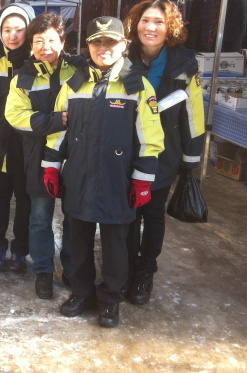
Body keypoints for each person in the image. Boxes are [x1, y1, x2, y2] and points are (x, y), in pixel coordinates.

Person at [45, 16, 164, 328]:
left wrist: (142, 180)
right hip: (79, 177)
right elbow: (58, 132)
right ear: (88, 47)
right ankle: (82, 292)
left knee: (115, 245)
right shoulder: (74, 84)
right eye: (97, 42)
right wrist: (52, 167)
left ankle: (111, 299)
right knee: (78, 241)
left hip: (117, 180)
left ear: (123, 45)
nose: (103, 48)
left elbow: (150, 139)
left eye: (110, 41)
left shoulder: (138, 86)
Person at [123, 0, 205, 304]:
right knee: (128, 213)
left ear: (170, 27)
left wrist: (190, 158)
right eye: (145, 20)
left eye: (159, 22)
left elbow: (194, 113)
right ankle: (126, 266)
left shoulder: (185, 63)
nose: (151, 27)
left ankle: (146, 270)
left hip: (164, 151)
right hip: (125, 149)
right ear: (136, 24)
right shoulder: (123, 56)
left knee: (153, 213)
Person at [5, 12, 83, 299]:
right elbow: (15, 116)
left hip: (76, 155)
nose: (45, 47)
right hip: (37, 156)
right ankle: (43, 271)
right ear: (31, 45)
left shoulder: (79, 70)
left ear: (62, 41)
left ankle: (72, 268)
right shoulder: (23, 77)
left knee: (74, 216)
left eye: (51, 40)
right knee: (39, 216)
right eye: (39, 41)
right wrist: (55, 121)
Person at [0, 3, 36, 272]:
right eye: (7, 29)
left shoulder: (37, 60)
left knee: (25, 198)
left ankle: (21, 250)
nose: (13, 36)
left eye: (19, 29)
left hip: (27, 142)